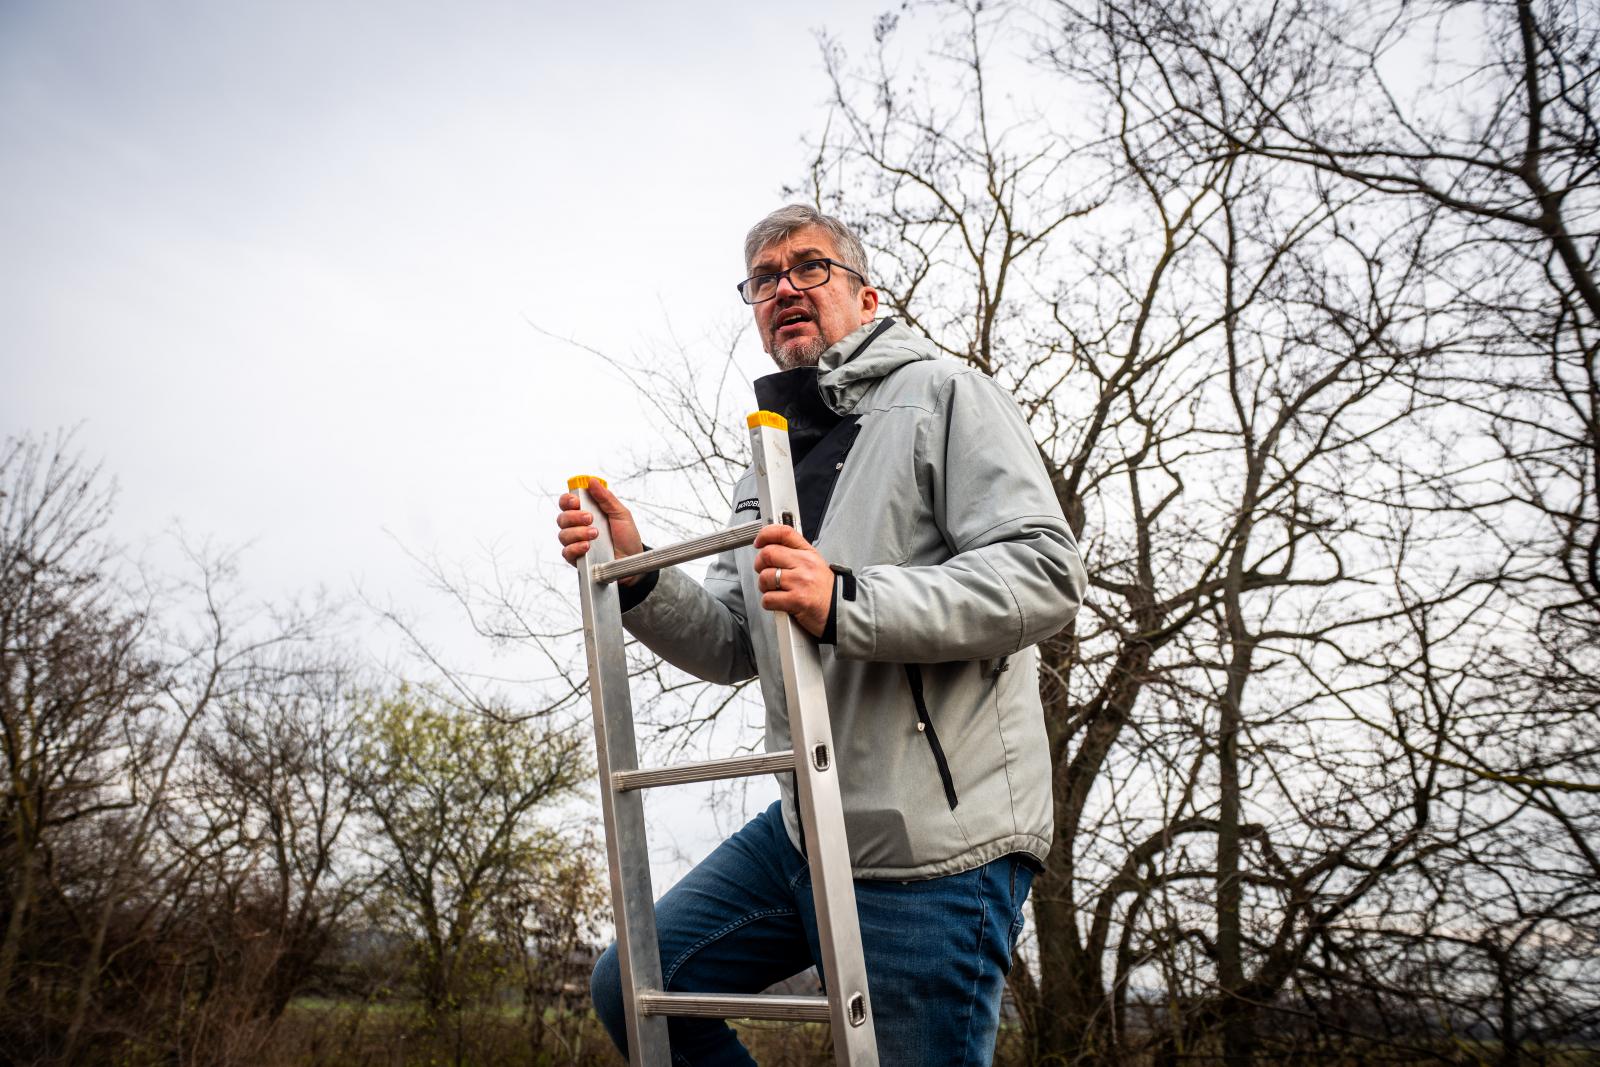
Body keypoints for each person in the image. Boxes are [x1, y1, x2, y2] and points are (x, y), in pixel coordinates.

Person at [557, 204, 1086, 1065]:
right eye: (763, 279)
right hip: (809, 823)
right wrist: (642, 574)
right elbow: (735, 641)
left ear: (867, 296)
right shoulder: (770, 456)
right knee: (639, 984)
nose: (784, 289)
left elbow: (1046, 572)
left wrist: (845, 598)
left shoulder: (945, 395)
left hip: (933, 847)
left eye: (810, 268)